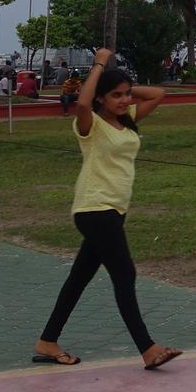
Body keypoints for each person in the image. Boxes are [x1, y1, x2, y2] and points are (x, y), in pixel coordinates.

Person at [34, 48, 179, 371]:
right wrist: (100, 66)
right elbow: (83, 103)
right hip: (94, 207)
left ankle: (47, 341)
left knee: (79, 278)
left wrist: (124, 86)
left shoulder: (127, 122)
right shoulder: (91, 125)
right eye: (115, 96)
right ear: (100, 98)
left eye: (127, 95)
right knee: (125, 274)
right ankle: (148, 348)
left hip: (114, 209)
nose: (124, 100)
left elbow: (159, 93)